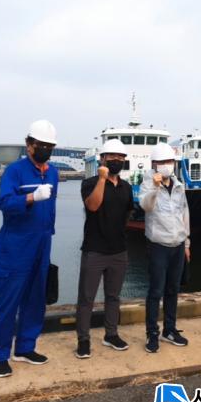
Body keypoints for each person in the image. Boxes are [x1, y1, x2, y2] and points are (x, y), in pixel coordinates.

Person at [0, 120, 59, 378]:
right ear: (29, 145)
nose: (45, 149)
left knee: (35, 300)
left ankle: (25, 348)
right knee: (8, 302)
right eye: (41, 144)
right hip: (16, 246)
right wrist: (31, 197)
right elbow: (5, 203)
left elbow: (50, 208)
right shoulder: (14, 171)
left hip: (42, 244)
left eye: (49, 146)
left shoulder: (53, 173)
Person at [75, 139, 134, 359]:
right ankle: (83, 339)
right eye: (112, 156)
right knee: (86, 298)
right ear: (102, 159)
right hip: (94, 250)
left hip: (119, 251)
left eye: (120, 157)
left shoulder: (126, 187)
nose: (117, 160)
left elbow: (128, 213)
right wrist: (102, 179)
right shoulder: (89, 183)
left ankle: (111, 334)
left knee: (113, 296)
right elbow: (92, 206)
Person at [138, 142, 191, 353]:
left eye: (170, 161)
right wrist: (155, 187)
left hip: (178, 245)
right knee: (155, 291)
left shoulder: (179, 185)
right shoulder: (147, 183)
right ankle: (152, 333)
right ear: (154, 164)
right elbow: (146, 206)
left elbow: (185, 213)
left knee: (173, 290)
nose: (167, 165)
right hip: (158, 245)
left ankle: (169, 329)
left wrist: (187, 242)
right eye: (162, 162)